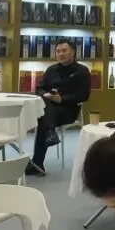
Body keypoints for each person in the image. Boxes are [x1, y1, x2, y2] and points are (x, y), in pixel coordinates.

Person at [28, 38, 90, 176]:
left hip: (68, 110)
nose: (61, 54)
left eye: (64, 50)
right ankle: (50, 133)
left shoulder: (82, 71)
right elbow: (39, 89)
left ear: (72, 52)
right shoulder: (51, 70)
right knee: (44, 106)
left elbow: (84, 95)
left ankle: (37, 163)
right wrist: (45, 94)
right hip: (49, 108)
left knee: (42, 117)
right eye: (58, 51)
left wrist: (62, 99)